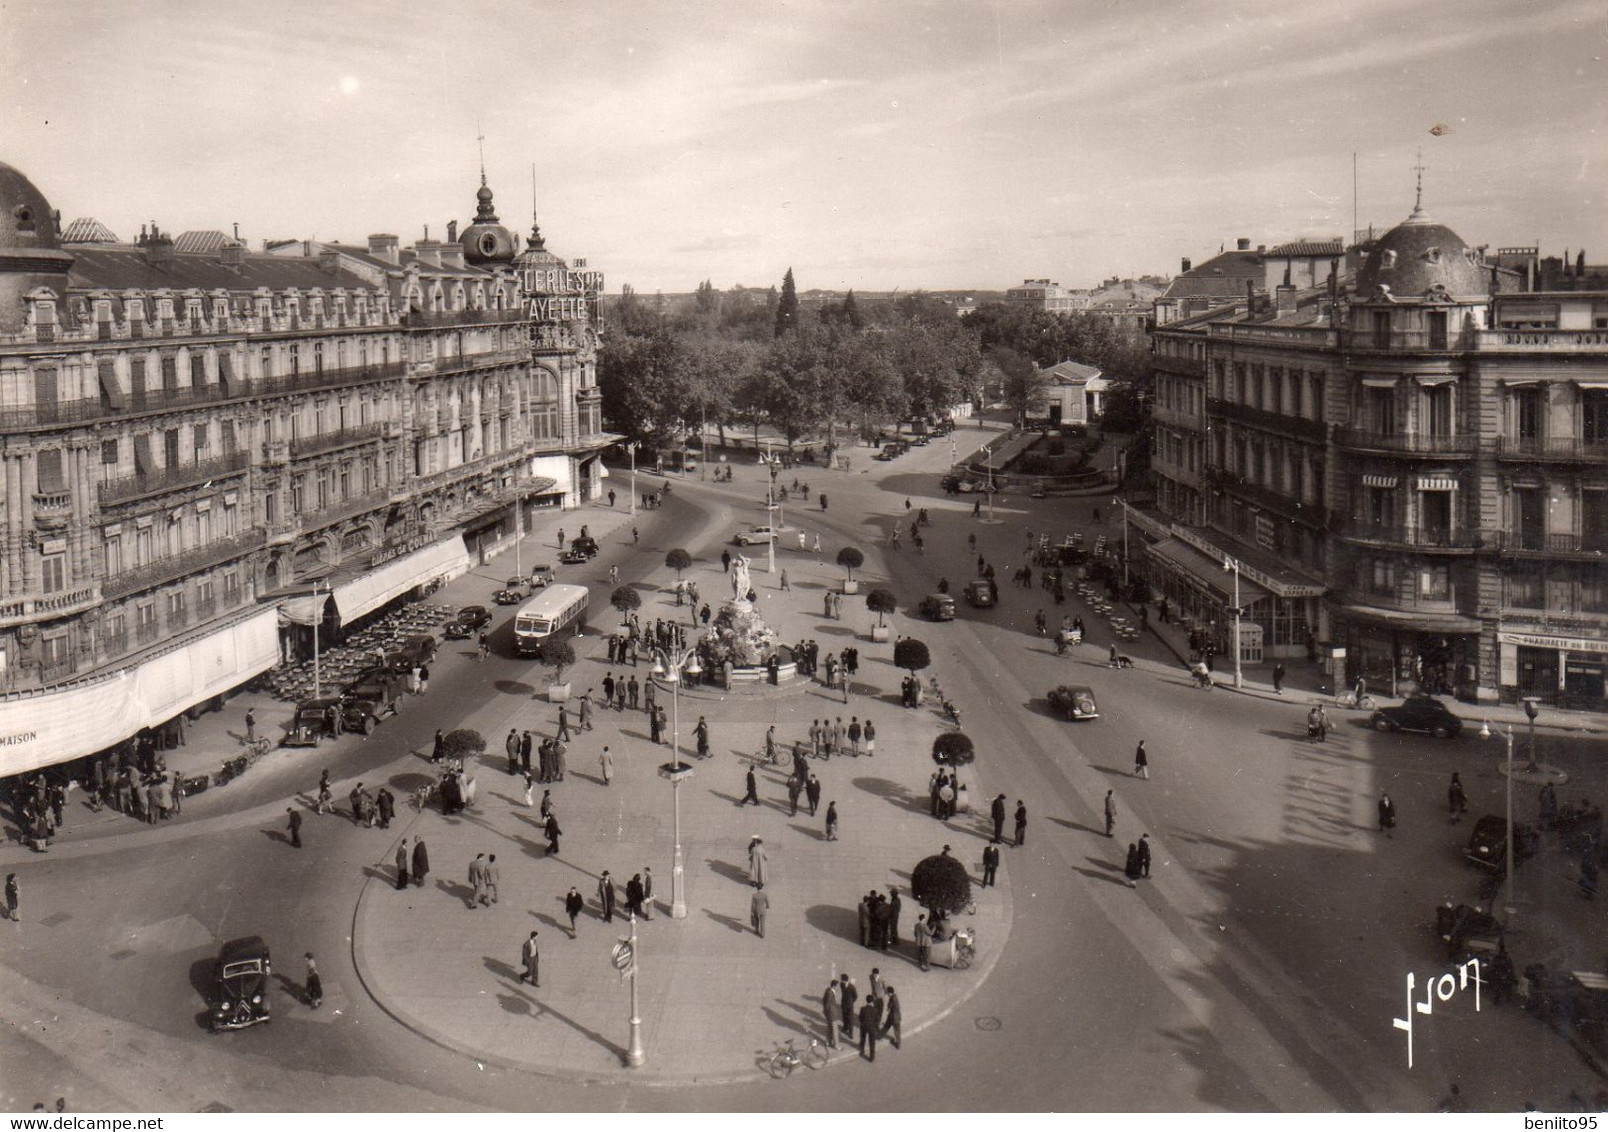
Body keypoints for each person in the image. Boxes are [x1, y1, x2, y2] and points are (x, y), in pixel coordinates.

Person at [822, 978, 841, 1048]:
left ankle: (828, 1041)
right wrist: (826, 1011)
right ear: (834, 986)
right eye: (836, 986)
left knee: (829, 1028)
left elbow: (824, 1000)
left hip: (829, 1013)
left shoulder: (827, 990)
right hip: (832, 1013)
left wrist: (825, 1011)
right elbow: (827, 1003)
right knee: (835, 1029)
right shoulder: (831, 993)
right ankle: (836, 1045)